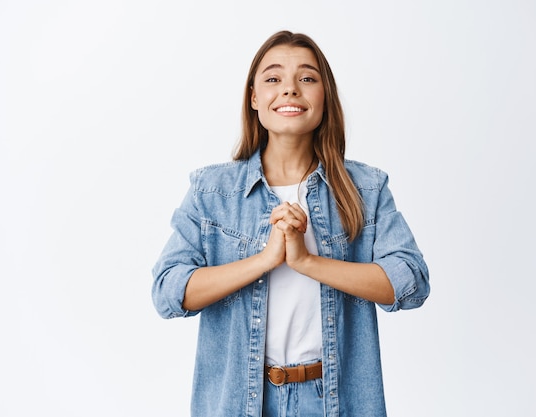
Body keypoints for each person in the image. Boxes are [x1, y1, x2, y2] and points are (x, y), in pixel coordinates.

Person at [152, 30, 430, 417]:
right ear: (254, 98)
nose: (289, 90)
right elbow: (168, 292)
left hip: (335, 400)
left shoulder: (366, 189)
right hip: (241, 401)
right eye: (273, 78)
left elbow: (412, 283)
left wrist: (307, 262)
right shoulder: (211, 192)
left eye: (307, 78)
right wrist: (265, 259)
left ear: (324, 96)